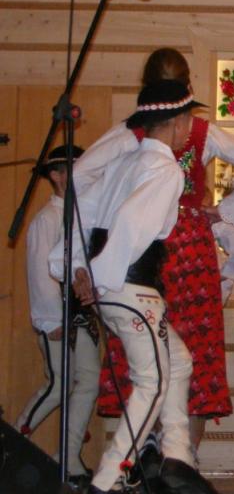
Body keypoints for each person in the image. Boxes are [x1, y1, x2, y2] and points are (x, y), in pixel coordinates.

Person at [73, 48, 234, 453]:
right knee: (195, 349)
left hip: (142, 250)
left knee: (142, 343)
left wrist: (90, 237)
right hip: (191, 246)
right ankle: (184, 457)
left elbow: (79, 176)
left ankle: (144, 447)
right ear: (189, 88)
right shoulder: (202, 132)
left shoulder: (128, 133)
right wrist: (225, 211)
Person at [52, 80, 217, 494]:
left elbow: (84, 214)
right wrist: (100, 276)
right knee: (152, 384)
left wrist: (77, 267)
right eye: (189, 121)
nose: (188, 129)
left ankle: (176, 458)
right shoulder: (165, 170)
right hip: (133, 291)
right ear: (178, 123)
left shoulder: (122, 164)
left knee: (177, 362)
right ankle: (107, 480)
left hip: (113, 291)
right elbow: (130, 225)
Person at [15, 145, 99, 489]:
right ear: (56, 175)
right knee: (58, 384)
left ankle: (69, 456)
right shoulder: (48, 219)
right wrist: (51, 319)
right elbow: (40, 272)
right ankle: (13, 444)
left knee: (89, 380)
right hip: (57, 316)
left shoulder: (82, 217)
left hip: (81, 316)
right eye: (72, 171)